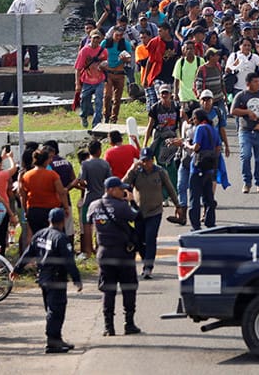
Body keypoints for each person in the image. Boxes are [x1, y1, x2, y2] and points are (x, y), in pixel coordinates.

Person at [14, 206, 82, 354]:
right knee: (56, 311)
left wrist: (17, 269)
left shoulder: (39, 235)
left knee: (51, 309)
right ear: (63, 221)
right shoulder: (61, 238)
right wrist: (76, 279)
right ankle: (52, 343)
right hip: (56, 279)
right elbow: (68, 261)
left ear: (49, 220)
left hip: (43, 278)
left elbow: (28, 253)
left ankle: (57, 338)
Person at [88, 177, 140, 336]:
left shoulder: (93, 205)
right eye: (120, 189)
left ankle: (108, 327)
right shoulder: (121, 206)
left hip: (104, 252)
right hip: (122, 253)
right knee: (129, 288)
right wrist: (132, 202)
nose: (123, 191)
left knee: (108, 290)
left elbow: (89, 222)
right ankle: (129, 324)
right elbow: (137, 217)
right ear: (111, 190)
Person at [122, 147, 182, 279]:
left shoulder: (160, 172)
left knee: (150, 238)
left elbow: (170, 188)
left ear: (152, 160)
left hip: (155, 211)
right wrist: (131, 169)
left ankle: (148, 267)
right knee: (139, 240)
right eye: (143, 160)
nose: (145, 163)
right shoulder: (136, 172)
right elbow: (122, 184)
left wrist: (178, 205)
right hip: (138, 212)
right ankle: (146, 261)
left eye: (148, 160)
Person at [187, 109, 222, 230]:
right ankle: (210, 222)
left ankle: (195, 225)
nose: (193, 121)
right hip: (209, 168)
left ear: (199, 119)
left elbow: (196, 147)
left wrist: (187, 145)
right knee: (208, 197)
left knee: (194, 198)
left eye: (194, 119)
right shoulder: (213, 129)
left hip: (197, 168)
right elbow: (218, 148)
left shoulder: (200, 129)